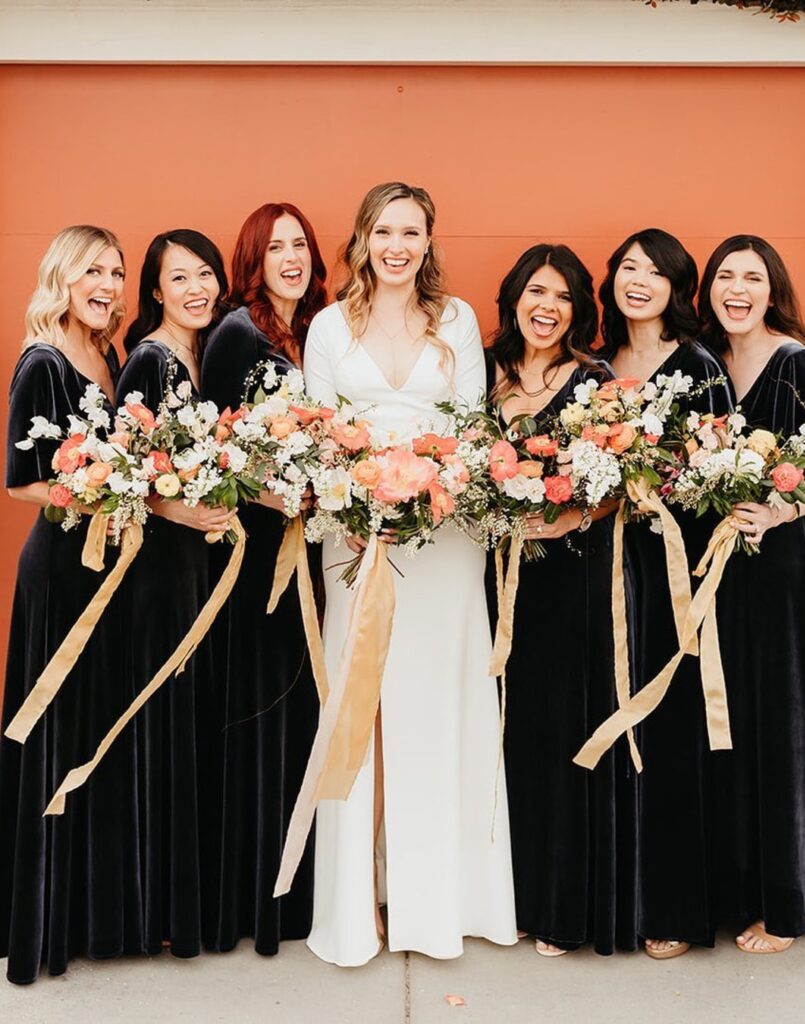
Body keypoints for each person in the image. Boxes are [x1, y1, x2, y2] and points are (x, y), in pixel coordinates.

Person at [303, 181, 516, 967]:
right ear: (362, 238)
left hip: (444, 534)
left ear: (429, 241)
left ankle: (440, 900)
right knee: (365, 708)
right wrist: (365, 500)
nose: (398, 246)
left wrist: (421, 493)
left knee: (436, 703)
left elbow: (468, 428)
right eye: (384, 231)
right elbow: (319, 434)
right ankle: (358, 903)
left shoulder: (454, 320)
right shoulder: (329, 326)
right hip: (354, 538)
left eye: (412, 232)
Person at [0, 225, 143, 983]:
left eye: (117, 272)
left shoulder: (109, 355)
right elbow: (21, 480)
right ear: (62, 275)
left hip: (106, 571)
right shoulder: (43, 363)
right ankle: (40, 928)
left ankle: (88, 914)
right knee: (54, 731)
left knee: (93, 731)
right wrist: (100, 497)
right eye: (94, 269)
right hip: (59, 571)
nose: (110, 284)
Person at [488, 243, 637, 957]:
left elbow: (617, 490)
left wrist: (560, 518)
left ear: (579, 309)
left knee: (567, 734)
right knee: (513, 737)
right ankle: (515, 896)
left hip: (571, 576)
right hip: (497, 580)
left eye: (563, 297)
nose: (546, 307)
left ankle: (567, 910)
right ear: (514, 296)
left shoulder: (593, 381)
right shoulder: (485, 374)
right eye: (535, 292)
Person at [599, 228, 731, 959]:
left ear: (677, 287)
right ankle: (614, 898)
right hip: (602, 567)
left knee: (670, 733)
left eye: (654, 272)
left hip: (670, 572)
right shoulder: (597, 362)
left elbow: (714, 468)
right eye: (627, 267)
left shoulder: (697, 364)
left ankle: (673, 909)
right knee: (614, 733)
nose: (638, 281)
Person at [199, 203, 326, 954]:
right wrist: (262, 493)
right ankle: (245, 904)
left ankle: (292, 896)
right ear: (253, 256)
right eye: (275, 246)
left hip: (306, 546)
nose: (291, 256)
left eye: (300, 244)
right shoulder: (236, 333)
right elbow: (213, 448)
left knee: (297, 715)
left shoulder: (312, 332)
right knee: (256, 716)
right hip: (254, 559)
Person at [699, 235, 805, 954]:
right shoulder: (709, 366)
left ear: (770, 290)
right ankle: (746, 887)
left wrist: (781, 509)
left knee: (786, 726)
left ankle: (793, 903)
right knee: (735, 724)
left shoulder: (795, 362)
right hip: (727, 572)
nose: (735, 289)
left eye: (750, 278)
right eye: (724, 277)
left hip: (787, 569)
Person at [117, 229, 232, 958]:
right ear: (155, 292)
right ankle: (157, 911)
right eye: (179, 278)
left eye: (205, 275)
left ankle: (186, 906)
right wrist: (177, 509)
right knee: (164, 729)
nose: (197, 288)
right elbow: (122, 478)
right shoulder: (148, 362)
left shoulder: (203, 354)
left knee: (193, 730)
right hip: (161, 574)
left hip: (201, 567)